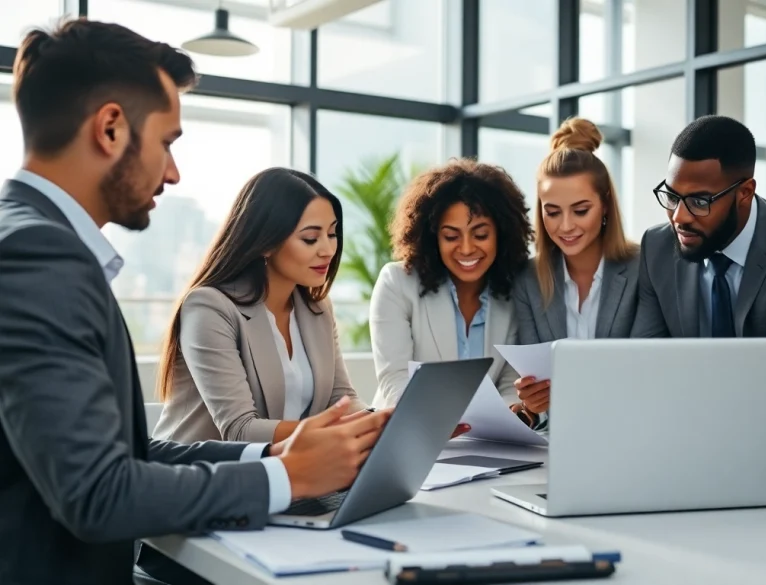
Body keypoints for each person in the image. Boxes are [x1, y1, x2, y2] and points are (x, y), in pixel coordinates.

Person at [0, 20, 390, 584]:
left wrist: (281, 457)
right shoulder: (38, 256)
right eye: (167, 143)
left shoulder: (35, 241)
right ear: (110, 129)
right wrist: (288, 478)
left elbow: (130, 456)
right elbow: (98, 494)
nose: (174, 172)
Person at [153, 168, 370, 445]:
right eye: (310, 239)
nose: (328, 250)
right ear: (266, 243)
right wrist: (335, 432)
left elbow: (341, 399)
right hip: (201, 469)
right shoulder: (209, 308)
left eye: (332, 234)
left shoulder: (316, 308)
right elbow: (240, 429)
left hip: (285, 466)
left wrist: (380, 419)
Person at [369, 159, 533, 408]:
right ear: (432, 237)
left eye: (480, 235)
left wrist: (509, 414)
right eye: (451, 236)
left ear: (501, 234)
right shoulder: (397, 283)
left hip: (488, 431)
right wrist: (445, 424)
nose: (466, 249)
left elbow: (511, 383)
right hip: (410, 425)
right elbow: (396, 380)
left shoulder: (515, 292)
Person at [510, 118, 640, 429]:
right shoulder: (528, 279)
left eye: (581, 210)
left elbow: (648, 371)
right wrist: (533, 405)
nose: (566, 226)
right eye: (552, 212)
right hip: (560, 438)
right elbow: (536, 395)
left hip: (631, 431)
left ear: (605, 204)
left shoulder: (643, 268)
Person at [631, 115, 766, 340]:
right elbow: (647, 354)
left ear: (745, 193)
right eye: (672, 197)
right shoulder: (657, 247)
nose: (678, 217)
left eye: (699, 201)